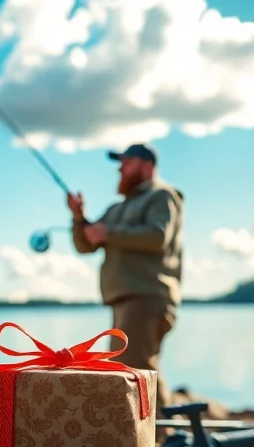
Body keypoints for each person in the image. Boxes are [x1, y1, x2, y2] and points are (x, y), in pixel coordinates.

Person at [67, 143, 184, 416]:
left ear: (147, 165)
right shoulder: (117, 209)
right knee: (138, 370)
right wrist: (79, 218)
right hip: (126, 303)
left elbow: (157, 236)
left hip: (147, 299)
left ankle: (158, 437)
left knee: (135, 373)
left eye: (127, 162)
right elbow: (85, 245)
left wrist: (108, 233)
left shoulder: (162, 196)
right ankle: (165, 432)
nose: (121, 168)